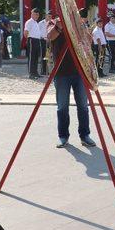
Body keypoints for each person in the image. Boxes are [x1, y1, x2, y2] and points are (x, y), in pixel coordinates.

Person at [46, 15, 96, 148]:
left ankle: (85, 135)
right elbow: (50, 36)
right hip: (61, 72)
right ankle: (63, 136)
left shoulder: (78, 22)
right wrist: (59, 25)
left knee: (83, 106)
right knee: (62, 107)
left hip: (79, 71)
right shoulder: (54, 22)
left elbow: (89, 41)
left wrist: (83, 29)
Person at [24, 8, 42, 79]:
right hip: (32, 40)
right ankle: (31, 73)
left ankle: (35, 72)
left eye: (37, 15)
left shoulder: (36, 23)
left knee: (36, 57)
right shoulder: (29, 22)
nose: (37, 16)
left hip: (37, 40)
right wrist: (29, 39)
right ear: (32, 14)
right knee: (31, 57)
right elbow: (25, 33)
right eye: (35, 14)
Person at [38, 11, 52, 75]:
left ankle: (48, 70)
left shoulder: (52, 23)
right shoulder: (41, 23)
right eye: (48, 16)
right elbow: (38, 32)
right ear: (46, 16)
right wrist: (44, 38)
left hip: (49, 41)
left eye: (51, 17)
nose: (50, 17)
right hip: (42, 40)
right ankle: (43, 71)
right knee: (43, 55)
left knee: (48, 56)